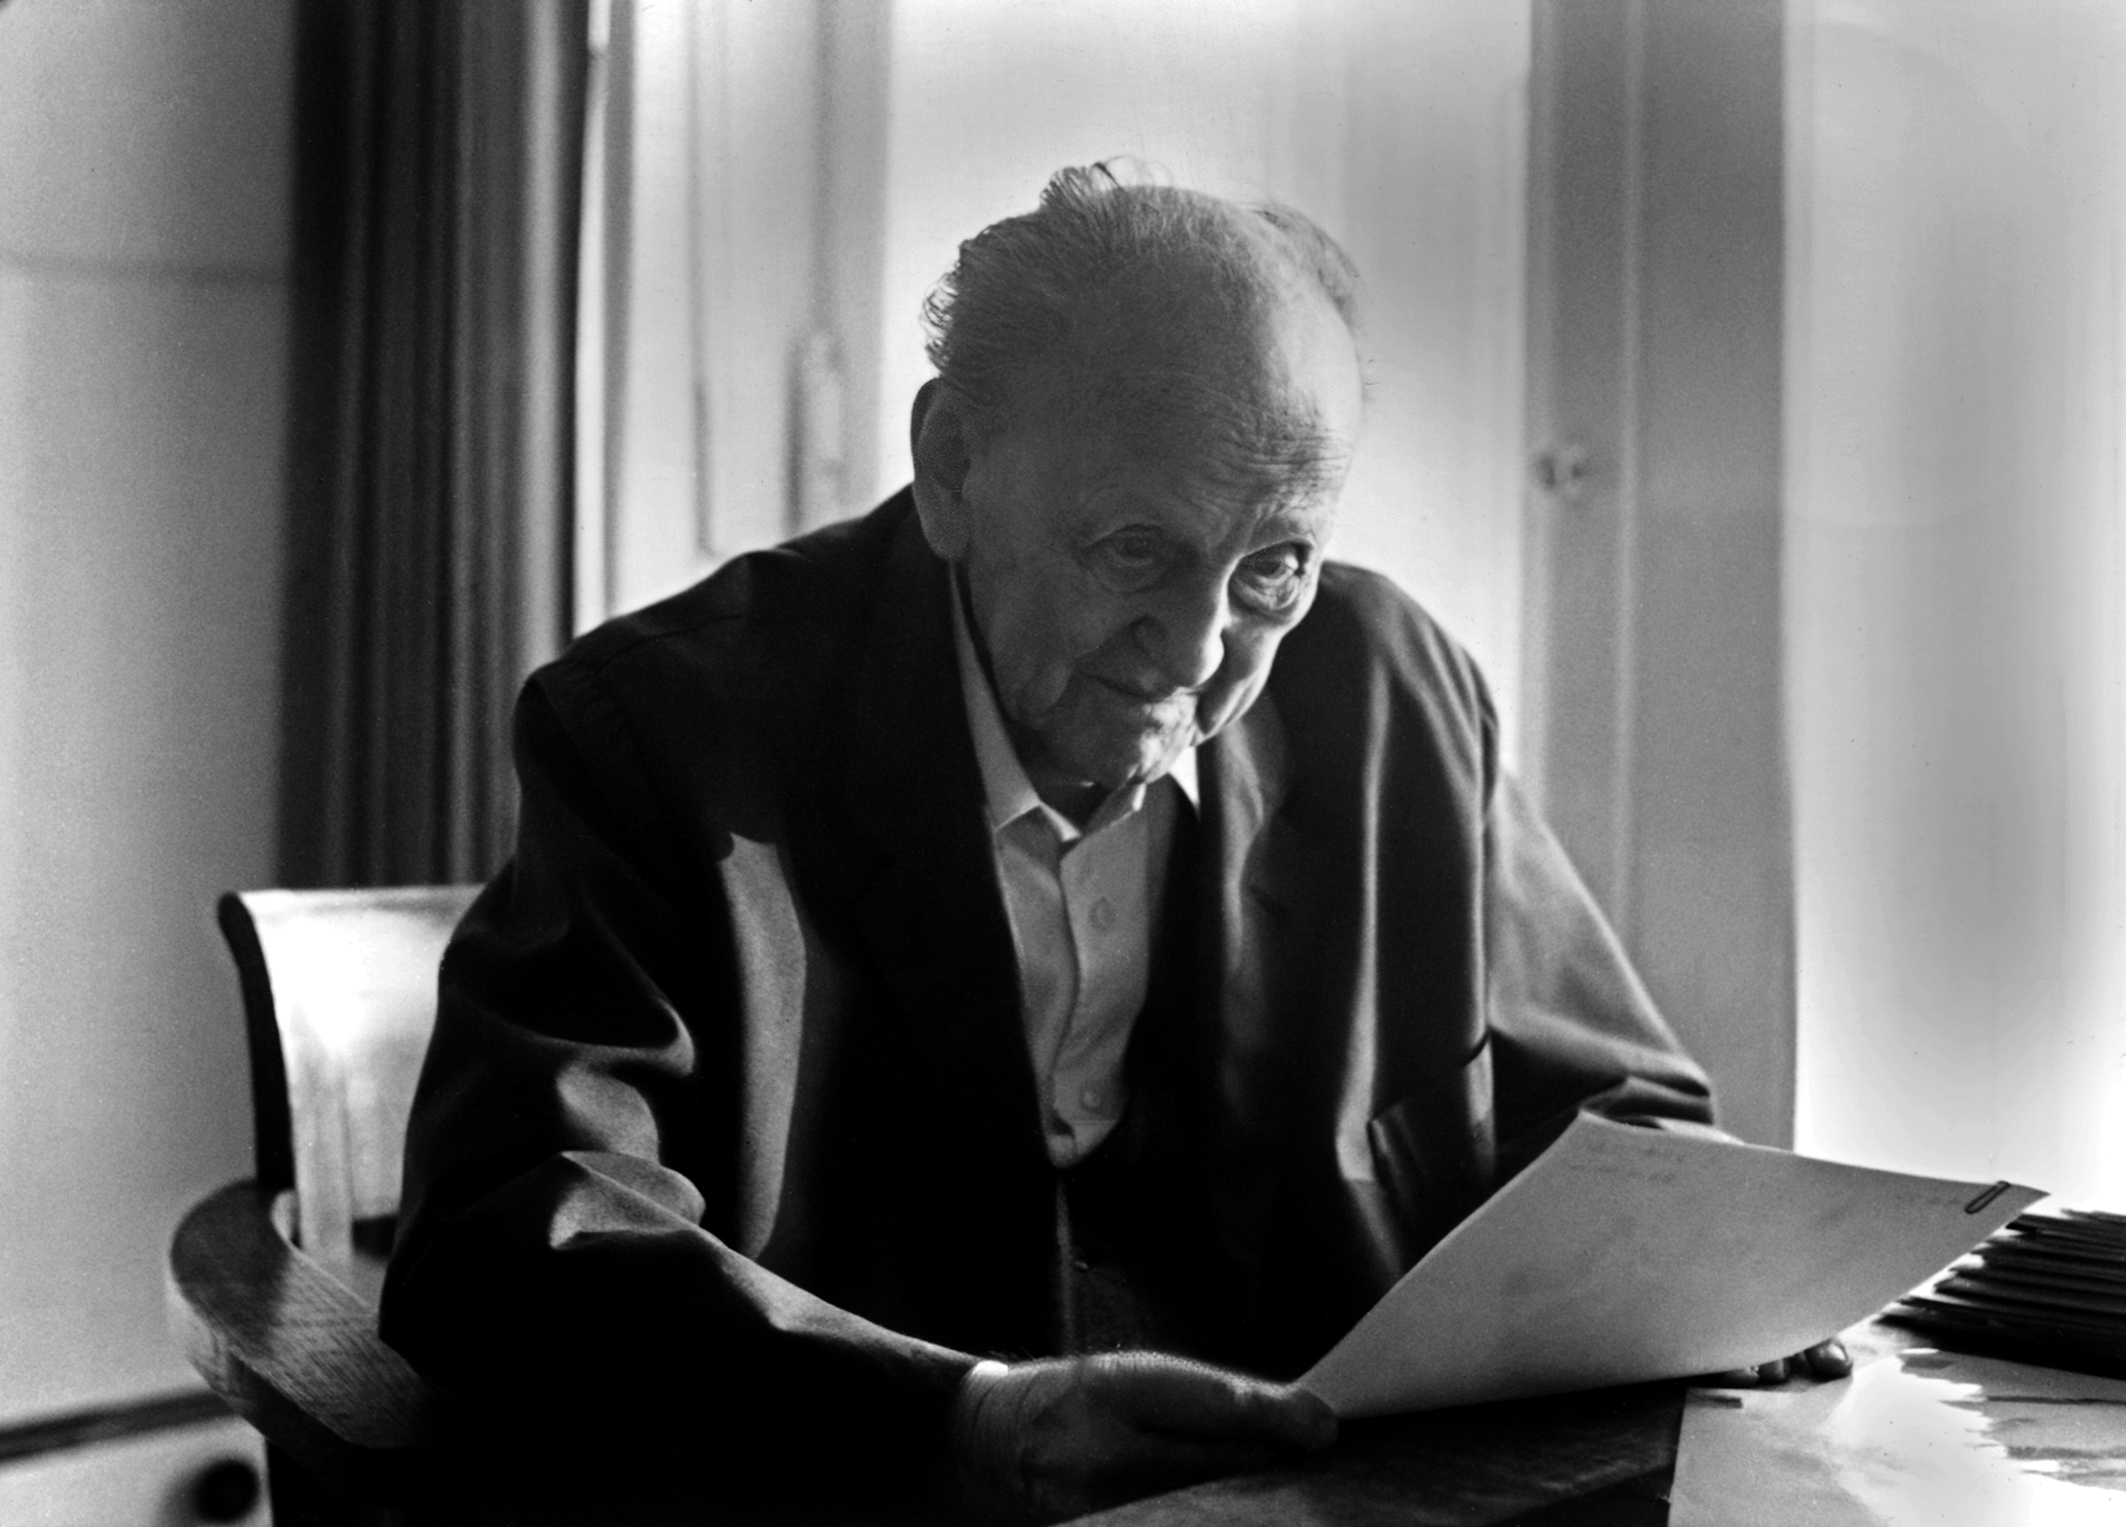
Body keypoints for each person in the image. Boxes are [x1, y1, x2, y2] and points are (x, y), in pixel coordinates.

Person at [380, 165, 1841, 1525]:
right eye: (1135, 549)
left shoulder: (1388, 689)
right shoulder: (663, 731)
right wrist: (961, 1422)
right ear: (952, 465)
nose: (1197, 653)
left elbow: (1616, 1134)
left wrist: (1719, 1280)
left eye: (1272, 564)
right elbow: (515, 1248)